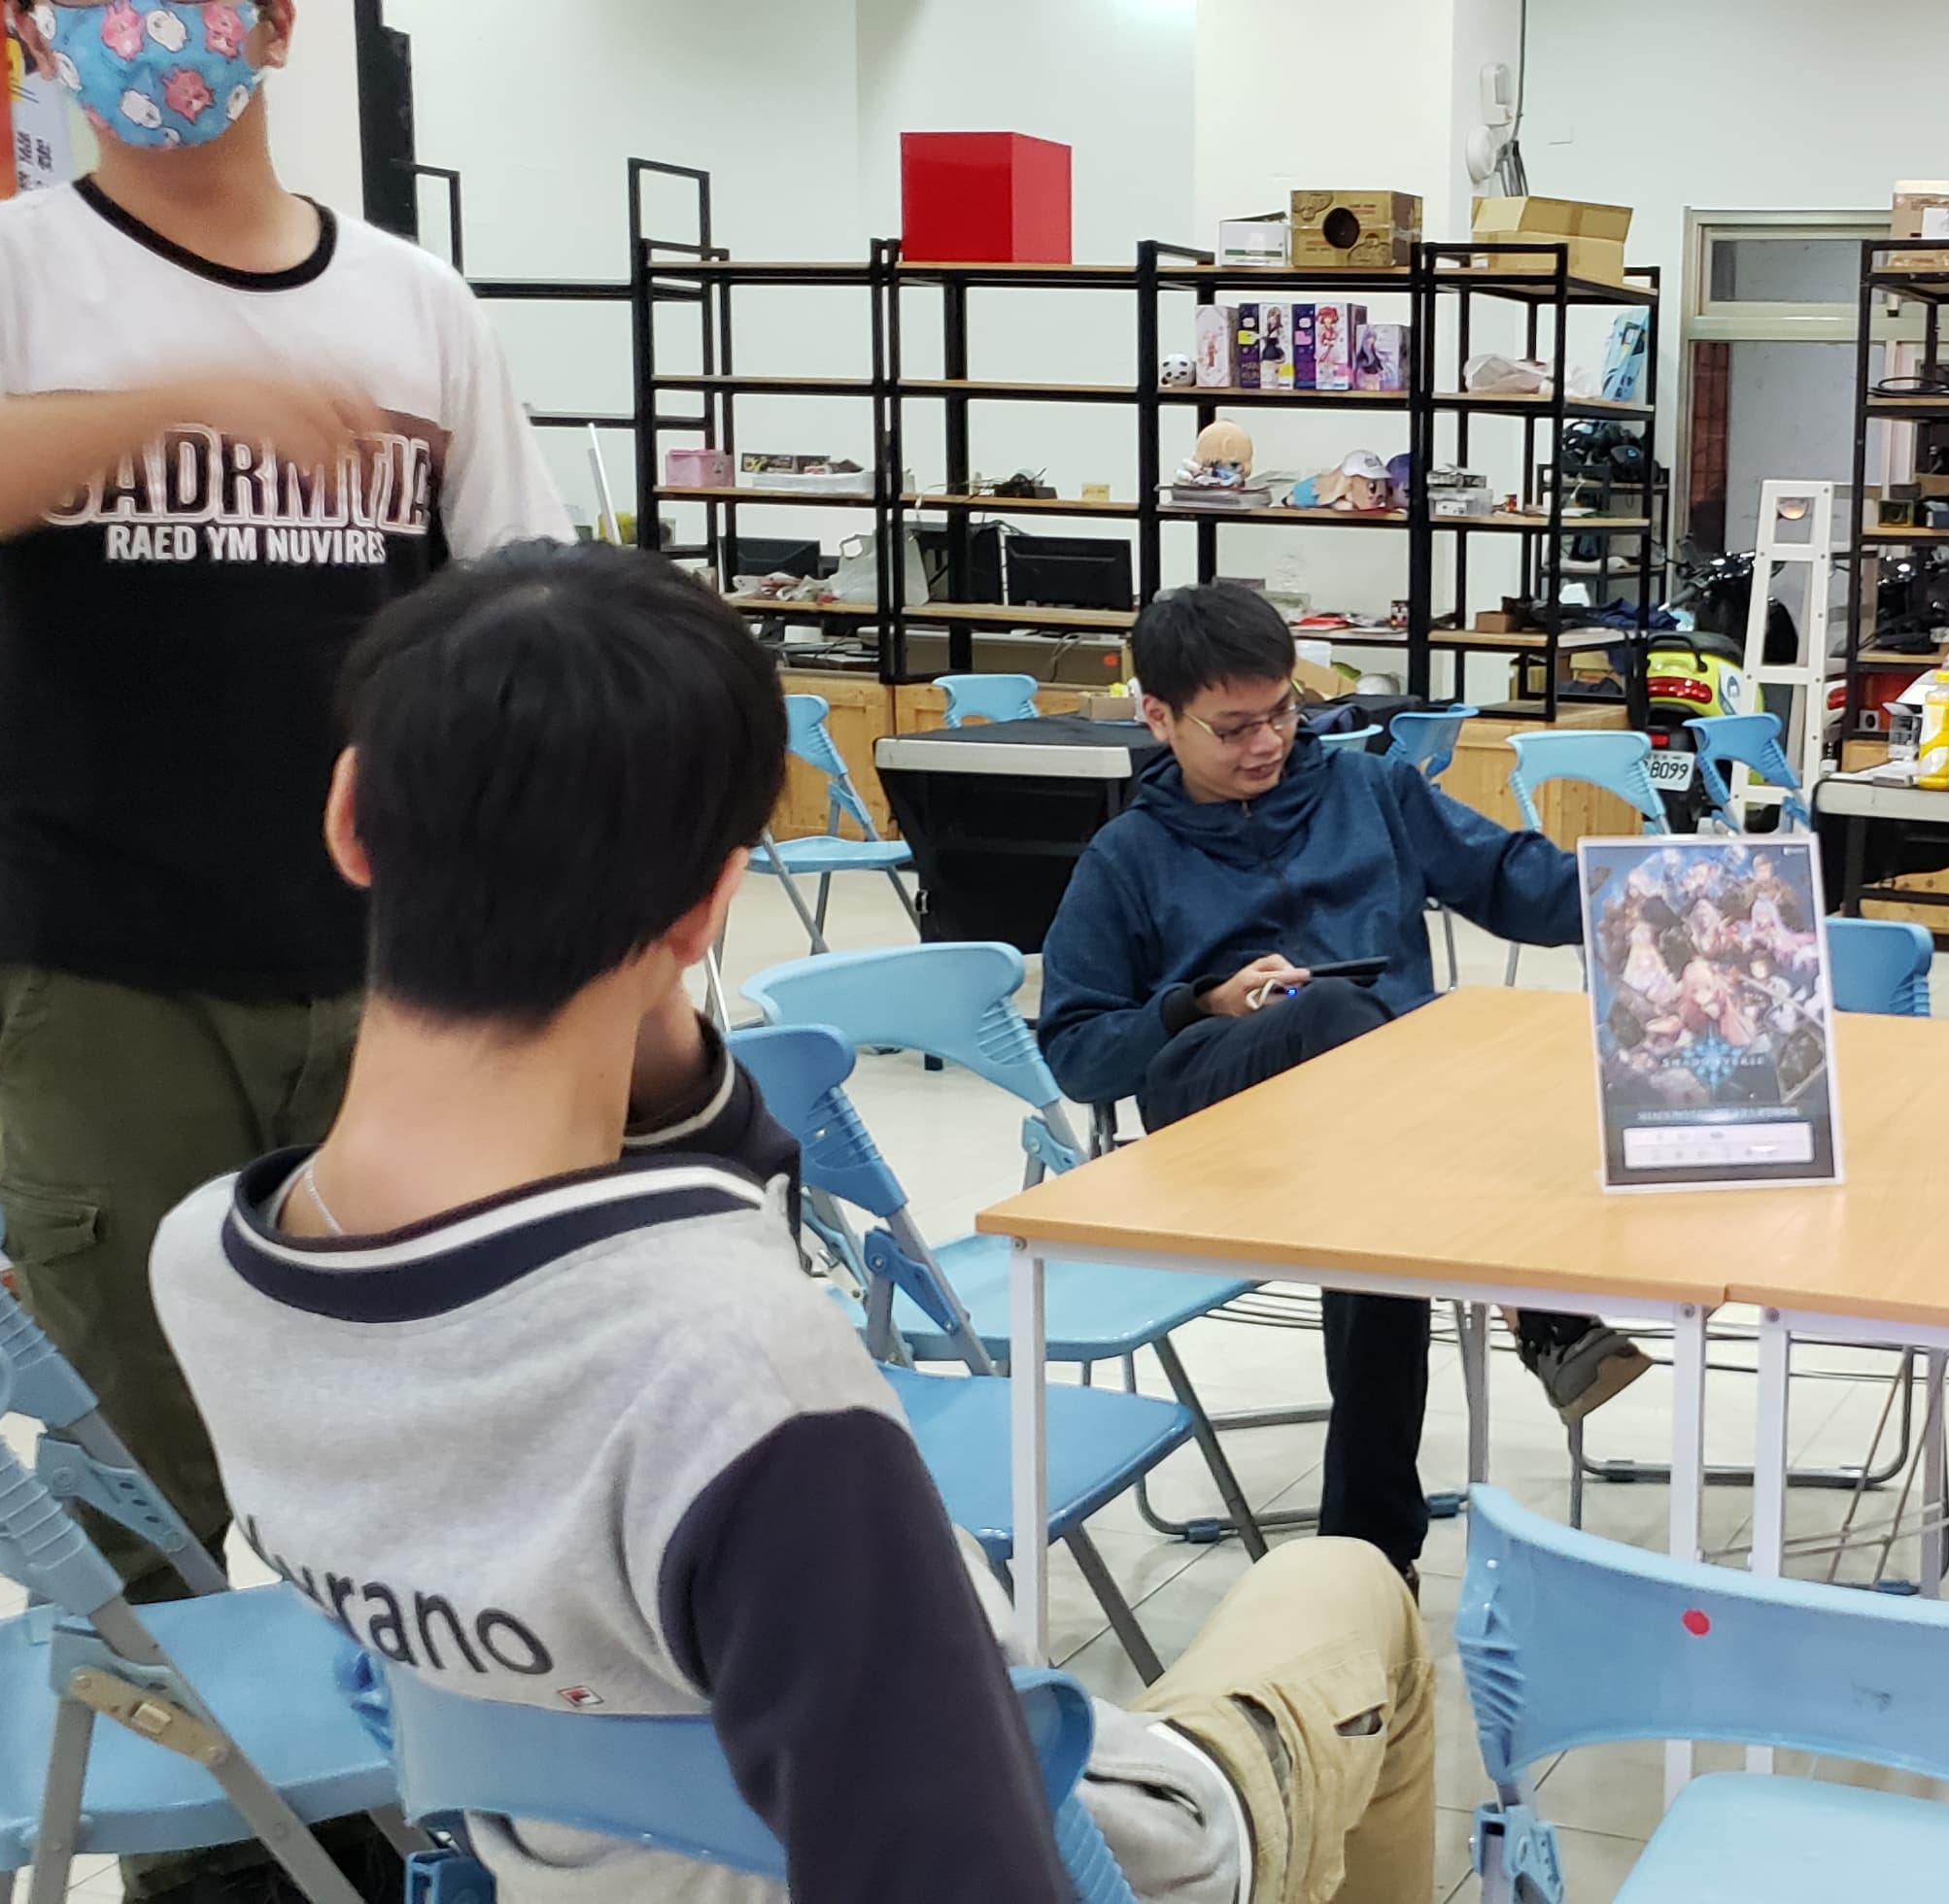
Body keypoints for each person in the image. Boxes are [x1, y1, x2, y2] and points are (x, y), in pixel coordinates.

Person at [154, 544, 1438, 1904]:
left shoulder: (208, 1267)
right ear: (712, 907)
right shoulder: (744, 1380)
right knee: (1352, 1587)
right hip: (1088, 1859)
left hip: (559, 1863)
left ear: (350, 815)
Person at [0, 0, 569, 1607]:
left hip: (397, 961)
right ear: (37, 39)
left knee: (419, 1427)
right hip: (106, 967)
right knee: (138, 1461)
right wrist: (170, 402)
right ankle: (191, 1779)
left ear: (279, 27)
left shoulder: (414, 301)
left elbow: (524, 605)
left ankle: (412, 1754)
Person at [1039, 582, 1648, 1574]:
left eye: (1283, 712)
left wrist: (1656, 892)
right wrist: (1201, 1003)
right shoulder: (1128, 857)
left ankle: (1366, 1556)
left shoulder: (1372, 791)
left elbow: (1510, 878)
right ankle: (1533, 1299)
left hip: (1390, 1131)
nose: (1268, 742)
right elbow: (1075, 1048)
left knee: (1385, 1188)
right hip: (1219, 1122)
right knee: (1330, 1015)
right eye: (1235, 727)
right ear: (1158, 715)